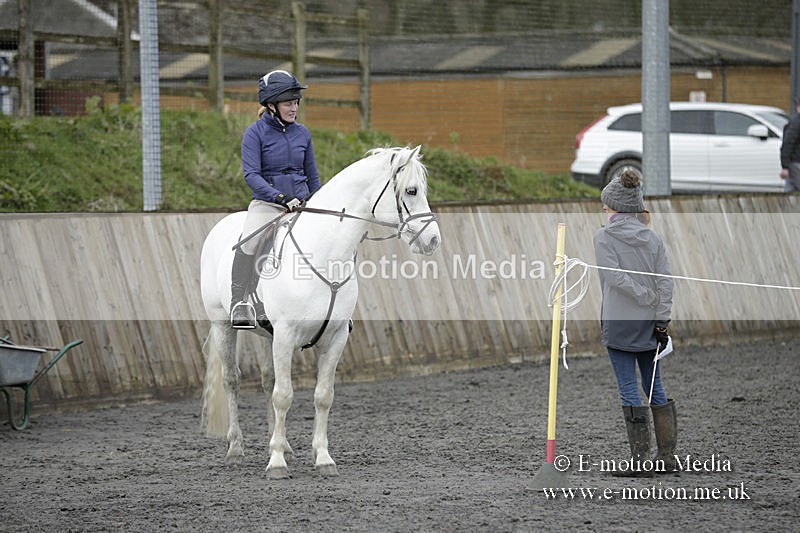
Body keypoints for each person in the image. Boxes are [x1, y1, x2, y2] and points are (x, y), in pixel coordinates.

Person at [593, 170, 677, 477]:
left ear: (617, 207)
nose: (603, 210)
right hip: (650, 325)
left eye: (606, 206)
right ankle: (666, 457)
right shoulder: (654, 238)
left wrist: (643, 296)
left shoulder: (603, 237)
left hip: (619, 324)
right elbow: (666, 283)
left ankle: (641, 461)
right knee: (654, 384)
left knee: (628, 387)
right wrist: (662, 318)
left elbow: (613, 276)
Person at [231, 70, 321, 328]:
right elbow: (251, 175)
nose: (294, 108)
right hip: (268, 204)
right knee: (249, 241)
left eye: (296, 102)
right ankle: (239, 302)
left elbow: (312, 176)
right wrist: (280, 197)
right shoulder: (255, 133)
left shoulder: (303, 133)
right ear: (271, 105)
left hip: (301, 204)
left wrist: (317, 201)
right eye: (288, 103)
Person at [780, 98, 800, 192]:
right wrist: (785, 166)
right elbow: (788, 144)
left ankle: (785, 206)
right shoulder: (796, 123)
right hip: (796, 163)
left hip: (794, 163)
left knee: (790, 189)